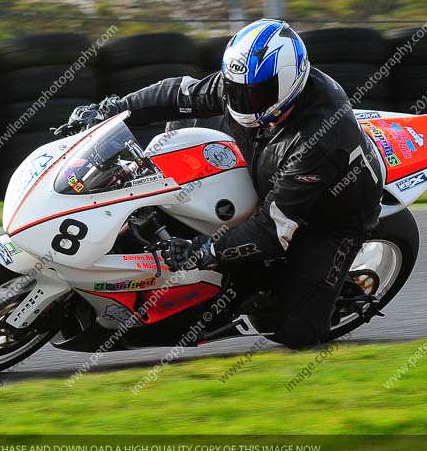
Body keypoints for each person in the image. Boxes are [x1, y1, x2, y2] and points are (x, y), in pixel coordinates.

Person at [63, 19, 384, 347]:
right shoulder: (247, 86)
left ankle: (291, 290)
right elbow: (177, 94)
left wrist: (202, 251)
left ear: (289, 84)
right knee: (178, 135)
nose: (242, 100)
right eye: (235, 89)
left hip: (327, 215)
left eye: (256, 94)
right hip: (261, 156)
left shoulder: (320, 139)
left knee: (296, 332)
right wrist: (111, 110)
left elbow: (272, 230)